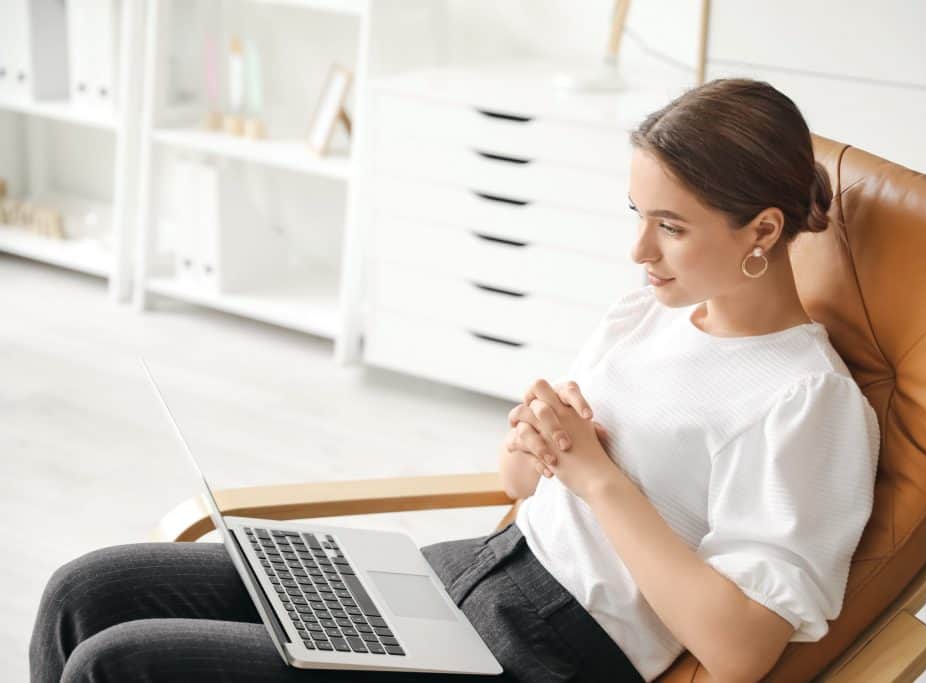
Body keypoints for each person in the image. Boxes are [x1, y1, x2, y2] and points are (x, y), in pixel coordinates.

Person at [30, 78, 880, 683]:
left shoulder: (806, 401)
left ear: (762, 228)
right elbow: (517, 486)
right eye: (637, 216)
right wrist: (535, 445)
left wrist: (596, 475)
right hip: (461, 571)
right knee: (88, 591)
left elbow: (740, 650)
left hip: (541, 652)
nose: (639, 251)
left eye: (670, 226)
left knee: (120, 663)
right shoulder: (646, 312)